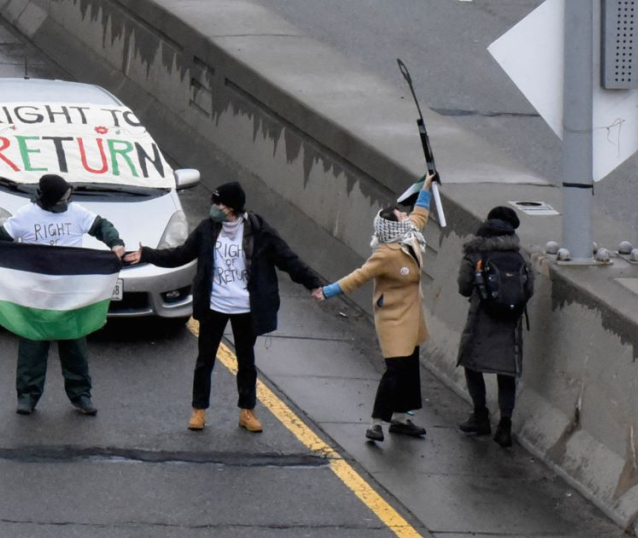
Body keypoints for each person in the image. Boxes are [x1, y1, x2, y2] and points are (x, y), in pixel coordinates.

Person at [137, 181, 325, 434]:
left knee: (246, 361)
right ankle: (199, 411)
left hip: (245, 308)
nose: (213, 207)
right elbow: (180, 255)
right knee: (205, 360)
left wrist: (313, 284)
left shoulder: (259, 231)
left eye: (218, 203)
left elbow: (288, 259)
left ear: (232, 207)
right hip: (214, 305)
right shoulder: (207, 229)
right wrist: (146, 255)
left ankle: (247, 412)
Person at [0, 174, 129, 416]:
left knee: (75, 348)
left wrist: (115, 242)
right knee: (32, 348)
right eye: (64, 197)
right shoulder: (26, 215)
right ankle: (27, 397)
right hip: (37, 296)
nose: (68, 200)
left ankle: (81, 396)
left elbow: (100, 226)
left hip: (70, 295)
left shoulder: (76, 212)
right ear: (51, 200)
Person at [318, 181, 436, 443]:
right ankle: (376, 422)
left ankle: (402, 418)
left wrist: (426, 187)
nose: (406, 216)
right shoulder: (385, 254)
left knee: (409, 367)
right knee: (395, 370)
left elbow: (419, 214)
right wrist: (327, 291)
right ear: (394, 225)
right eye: (401, 215)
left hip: (412, 315)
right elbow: (357, 277)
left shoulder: (409, 234)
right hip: (393, 319)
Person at [457, 204, 533, 447]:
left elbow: (463, 287)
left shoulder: (475, 253)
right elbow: (528, 290)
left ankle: (480, 417)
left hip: (480, 321)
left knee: (472, 364)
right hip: (509, 324)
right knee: (506, 374)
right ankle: (505, 426)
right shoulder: (519, 258)